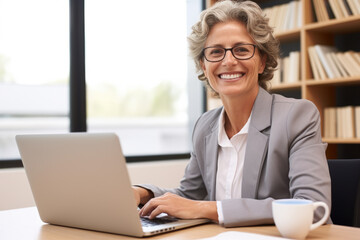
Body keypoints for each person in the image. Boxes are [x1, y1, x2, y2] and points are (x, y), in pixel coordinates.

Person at [133, 0, 331, 227]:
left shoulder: (297, 116)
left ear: (261, 61)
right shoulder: (204, 125)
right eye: (216, 52)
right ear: (204, 66)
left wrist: (207, 208)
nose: (229, 61)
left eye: (241, 50)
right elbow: (189, 197)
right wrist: (142, 193)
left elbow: (312, 206)